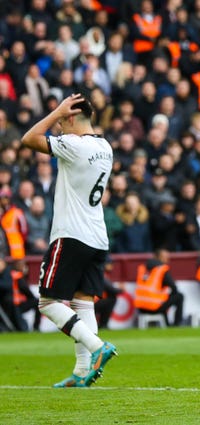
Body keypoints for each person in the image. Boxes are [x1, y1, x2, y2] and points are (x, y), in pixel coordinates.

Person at [21, 93, 117, 387]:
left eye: (61, 121)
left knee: (48, 302)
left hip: (71, 234)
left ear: (71, 118)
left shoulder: (73, 146)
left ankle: (98, 346)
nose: (58, 127)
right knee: (83, 304)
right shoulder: (105, 147)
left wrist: (55, 112)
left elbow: (29, 139)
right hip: (97, 237)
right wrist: (61, 112)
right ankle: (80, 372)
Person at [133, 248, 184, 326]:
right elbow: (173, 287)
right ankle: (177, 324)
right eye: (166, 258)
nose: (168, 260)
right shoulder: (161, 269)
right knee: (179, 296)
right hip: (154, 306)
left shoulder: (142, 268)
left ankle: (166, 323)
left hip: (140, 307)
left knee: (163, 300)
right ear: (158, 257)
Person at [94, 256, 123, 329]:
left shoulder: (101, 274)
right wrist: (121, 290)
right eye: (110, 263)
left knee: (110, 298)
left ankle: (103, 324)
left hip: (92, 301)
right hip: (93, 302)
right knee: (112, 299)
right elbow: (112, 290)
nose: (112, 266)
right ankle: (103, 324)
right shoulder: (101, 274)